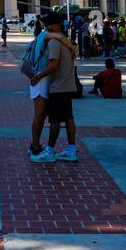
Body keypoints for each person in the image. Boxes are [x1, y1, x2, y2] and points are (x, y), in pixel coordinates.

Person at [29, 15, 79, 162]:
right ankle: (71, 149)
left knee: (54, 120)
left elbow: (53, 65)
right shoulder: (62, 40)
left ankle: (48, 150)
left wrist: (38, 77)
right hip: (68, 84)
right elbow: (59, 37)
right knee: (68, 117)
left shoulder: (53, 42)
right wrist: (71, 46)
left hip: (58, 86)